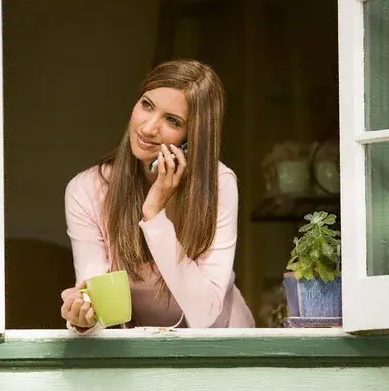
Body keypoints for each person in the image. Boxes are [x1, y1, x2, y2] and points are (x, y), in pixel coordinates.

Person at [61, 59, 255, 333]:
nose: (149, 127)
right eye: (147, 105)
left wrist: (154, 214)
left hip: (222, 346)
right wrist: (83, 320)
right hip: (146, 352)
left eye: (172, 121)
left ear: (193, 138)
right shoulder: (87, 189)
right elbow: (98, 303)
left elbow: (206, 315)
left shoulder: (219, 184)